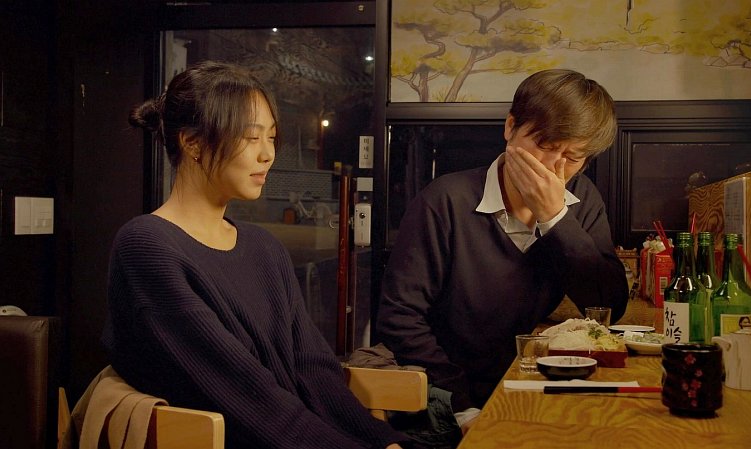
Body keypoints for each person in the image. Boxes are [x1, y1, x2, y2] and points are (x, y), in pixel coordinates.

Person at [102, 61, 407, 449]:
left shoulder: (265, 247)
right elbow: (247, 396)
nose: (268, 154)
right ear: (192, 142)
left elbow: (314, 370)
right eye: (251, 137)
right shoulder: (147, 246)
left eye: (272, 138)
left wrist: (384, 441)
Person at [376, 69, 629, 442]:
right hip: (441, 396)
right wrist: (463, 409)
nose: (552, 167)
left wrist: (555, 218)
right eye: (544, 144)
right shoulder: (444, 201)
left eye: (573, 156)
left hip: (529, 387)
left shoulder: (582, 198)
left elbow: (608, 306)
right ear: (510, 127)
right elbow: (399, 319)